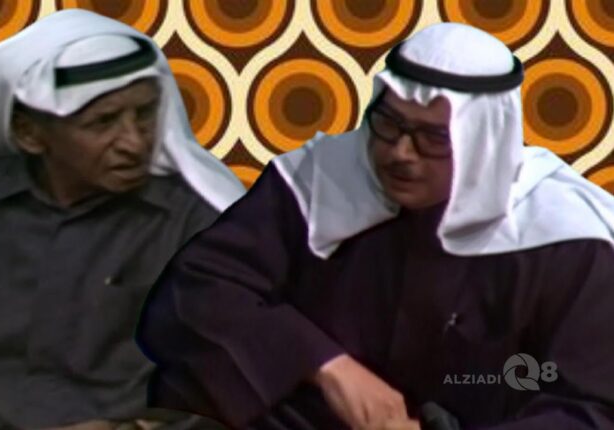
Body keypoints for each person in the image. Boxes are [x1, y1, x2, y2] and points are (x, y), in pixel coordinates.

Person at [136, 23, 614, 430]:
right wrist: (324, 364)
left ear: (482, 142)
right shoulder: (317, 180)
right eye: (389, 123)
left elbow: (592, 407)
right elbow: (197, 292)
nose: (400, 153)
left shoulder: (568, 238)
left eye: (432, 138)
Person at [0, 9, 243, 430]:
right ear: (29, 134)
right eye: (104, 122)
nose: (135, 143)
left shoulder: (195, 222)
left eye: (145, 114)